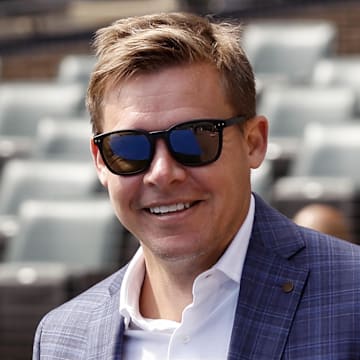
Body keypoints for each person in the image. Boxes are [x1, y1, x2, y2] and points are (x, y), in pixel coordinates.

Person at [33, 12, 360, 359]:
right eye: (129, 148)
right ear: (100, 161)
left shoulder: (351, 296)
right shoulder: (61, 337)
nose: (162, 173)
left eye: (194, 140)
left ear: (253, 142)